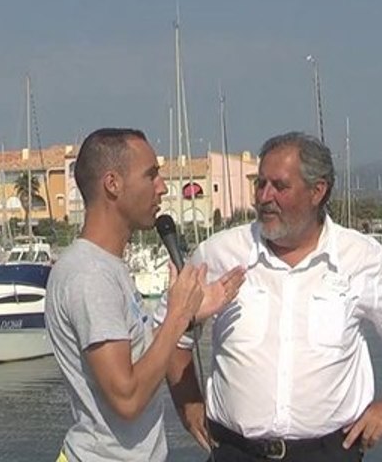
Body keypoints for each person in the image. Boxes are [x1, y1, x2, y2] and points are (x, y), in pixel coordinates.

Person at [163, 131, 382, 461]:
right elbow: (172, 331)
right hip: (234, 452)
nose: (264, 197)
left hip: (328, 453)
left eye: (279, 186)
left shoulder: (360, 257)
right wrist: (188, 402)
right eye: (260, 184)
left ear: (317, 191)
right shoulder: (220, 253)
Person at [46, 128, 245, 462]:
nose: (162, 187)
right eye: (151, 175)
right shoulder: (89, 276)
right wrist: (178, 315)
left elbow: (137, 357)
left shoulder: (108, 267)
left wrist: (189, 317)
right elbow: (127, 399)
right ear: (113, 184)